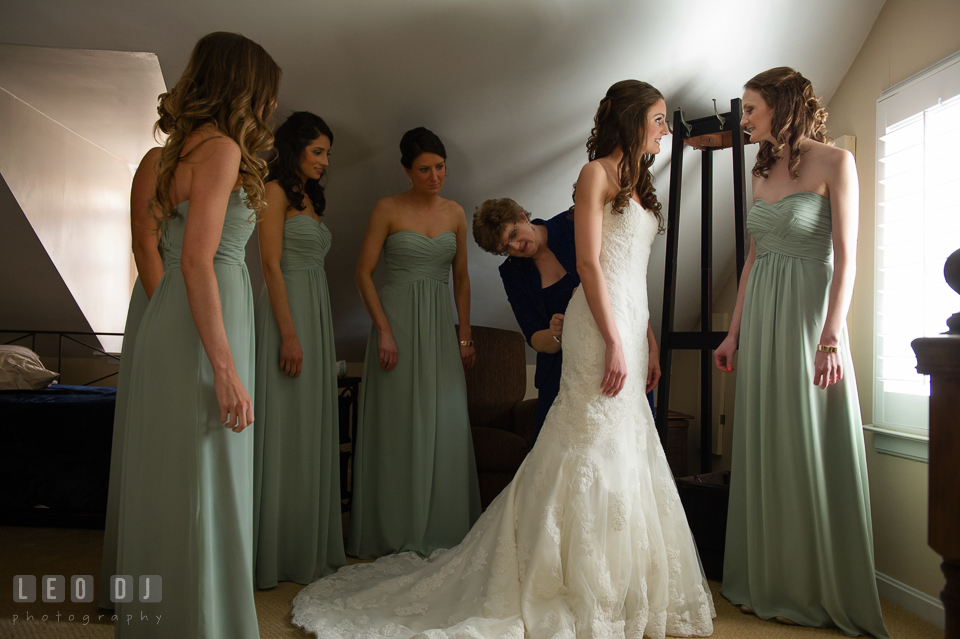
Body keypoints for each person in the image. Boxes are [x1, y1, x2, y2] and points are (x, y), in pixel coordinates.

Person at [292, 81, 715, 639]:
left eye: (516, 236)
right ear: (634, 121)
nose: (665, 129)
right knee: (584, 445)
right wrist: (611, 340)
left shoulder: (632, 188)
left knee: (629, 444)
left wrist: (647, 339)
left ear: (523, 218)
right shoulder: (593, 177)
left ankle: (622, 585)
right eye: (658, 119)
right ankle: (557, 577)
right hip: (596, 333)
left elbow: (630, 273)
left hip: (630, 326)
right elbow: (589, 268)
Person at [112, 31, 280, 638]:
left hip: (175, 326)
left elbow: (164, 254)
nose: (272, 107)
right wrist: (228, 371)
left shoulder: (164, 157)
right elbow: (196, 259)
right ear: (245, 90)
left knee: (174, 478)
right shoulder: (224, 151)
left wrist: (173, 327)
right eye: (268, 94)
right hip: (208, 331)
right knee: (208, 478)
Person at [714, 67, 888, 638]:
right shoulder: (761, 168)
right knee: (768, 440)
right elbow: (752, 261)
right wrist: (734, 333)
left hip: (810, 316)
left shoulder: (837, 163)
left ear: (782, 106)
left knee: (805, 439)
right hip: (762, 315)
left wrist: (832, 335)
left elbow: (847, 257)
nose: (744, 120)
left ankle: (812, 583)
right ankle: (770, 577)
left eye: (751, 109)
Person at [347, 126, 481, 559]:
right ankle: (392, 529)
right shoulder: (386, 208)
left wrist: (464, 334)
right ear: (406, 170)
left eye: (440, 167)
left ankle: (440, 528)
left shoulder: (456, 213)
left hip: (440, 328)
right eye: (424, 169)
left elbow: (461, 278)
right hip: (396, 325)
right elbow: (363, 273)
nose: (435, 176)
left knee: (445, 420)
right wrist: (383, 329)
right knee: (398, 424)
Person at [252, 112, 346, 588]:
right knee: (284, 425)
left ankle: (304, 542)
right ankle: (275, 551)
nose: (325, 161)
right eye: (317, 151)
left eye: (327, 153)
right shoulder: (272, 190)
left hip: (316, 310)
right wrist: (289, 334)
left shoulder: (309, 198)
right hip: (286, 313)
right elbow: (269, 265)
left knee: (308, 425)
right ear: (294, 149)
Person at [98, 146, 163, 609]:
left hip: (207, 302)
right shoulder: (157, 160)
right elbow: (144, 244)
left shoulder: (229, 156)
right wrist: (171, 315)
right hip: (161, 301)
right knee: (152, 429)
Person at [472, 199, 579, 441]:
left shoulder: (571, 224)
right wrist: (555, 334)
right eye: (505, 247)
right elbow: (533, 335)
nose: (516, 246)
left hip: (603, 351)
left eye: (513, 233)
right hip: (558, 368)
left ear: (522, 217)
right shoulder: (512, 273)